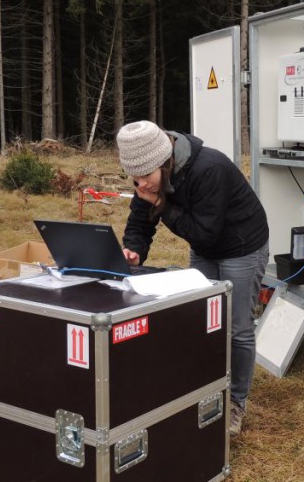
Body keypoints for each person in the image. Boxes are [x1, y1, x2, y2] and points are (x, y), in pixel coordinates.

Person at [116, 120, 269, 437]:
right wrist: (133, 249)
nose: (141, 185)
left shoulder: (208, 168)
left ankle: (236, 403)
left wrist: (161, 204)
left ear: (165, 162)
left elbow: (205, 232)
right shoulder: (149, 180)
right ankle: (205, 391)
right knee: (202, 322)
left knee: (237, 328)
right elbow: (140, 219)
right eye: (135, 179)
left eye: (146, 178)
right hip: (205, 245)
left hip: (241, 246)